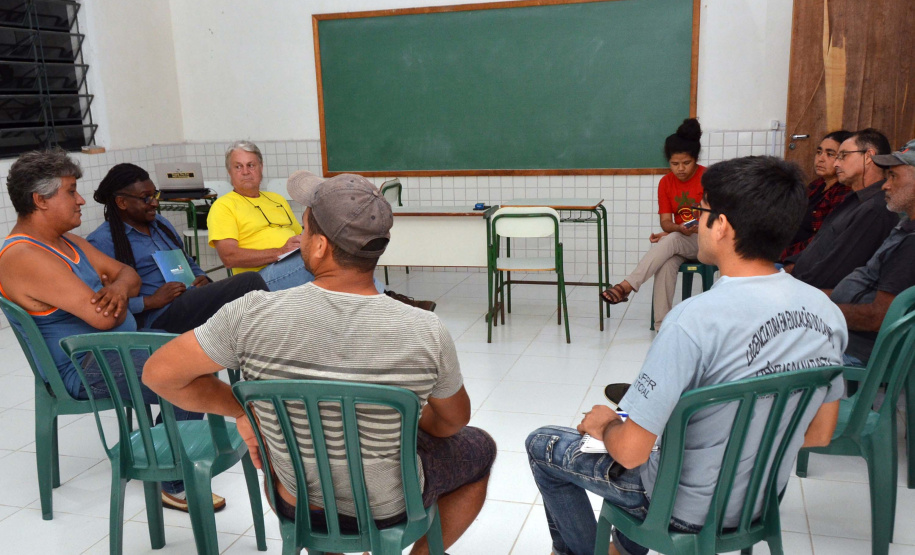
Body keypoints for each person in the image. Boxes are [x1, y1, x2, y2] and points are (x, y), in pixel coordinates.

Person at [143, 172, 496, 555]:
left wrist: (243, 409)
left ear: (320, 247)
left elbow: (159, 374)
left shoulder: (250, 313)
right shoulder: (424, 329)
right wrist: (408, 418)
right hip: (389, 508)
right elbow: (453, 422)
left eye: (304, 229)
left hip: (296, 500)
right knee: (480, 448)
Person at [527, 156, 847, 555]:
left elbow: (630, 451)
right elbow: (818, 433)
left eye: (702, 212)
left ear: (722, 225)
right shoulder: (825, 312)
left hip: (681, 510)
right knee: (664, 442)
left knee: (543, 445)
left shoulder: (692, 320)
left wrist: (607, 424)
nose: (697, 222)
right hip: (758, 502)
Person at [0, 150, 221, 513]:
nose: (81, 199)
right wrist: (120, 291)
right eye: (70, 191)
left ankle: (163, 457)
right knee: (188, 372)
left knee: (196, 355)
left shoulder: (67, 242)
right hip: (83, 366)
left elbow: (127, 276)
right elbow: (104, 319)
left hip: (112, 349)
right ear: (40, 200)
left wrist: (118, 288)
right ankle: (173, 481)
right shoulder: (25, 256)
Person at [207, 141, 435, 310]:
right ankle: (386, 302)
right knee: (321, 258)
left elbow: (303, 235)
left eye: (251, 165)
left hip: (292, 263)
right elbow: (229, 257)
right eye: (238, 167)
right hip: (258, 279)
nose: (246, 172)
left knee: (337, 248)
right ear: (229, 172)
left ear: (261, 167)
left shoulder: (276, 199)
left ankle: (380, 302)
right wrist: (280, 252)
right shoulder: (223, 206)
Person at [87, 163, 268, 333]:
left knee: (248, 303)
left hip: (189, 298)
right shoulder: (102, 241)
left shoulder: (160, 224)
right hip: (159, 315)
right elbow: (99, 301)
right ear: (122, 203)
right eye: (146, 198)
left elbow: (187, 260)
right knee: (249, 282)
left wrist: (201, 277)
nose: (155, 203)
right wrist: (150, 301)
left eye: (155, 195)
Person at [601, 118, 705, 329]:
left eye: (686, 163)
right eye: (675, 164)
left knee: (672, 240)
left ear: (696, 159)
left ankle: (627, 286)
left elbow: (717, 219)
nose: (681, 169)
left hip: (706, 242)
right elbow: (667, 222)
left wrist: (676, 233)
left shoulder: (708, 177)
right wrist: (676, 230)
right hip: (681, 240)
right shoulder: (665, 183)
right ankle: (662, 326)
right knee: (666, 263)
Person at [829, 139, 915, 366]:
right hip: (851, 338)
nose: (885, 185)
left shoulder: (911, 245)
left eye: (894, 176)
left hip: (860, 350)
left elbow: (880, 317)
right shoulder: (905, 226)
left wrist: (819, 312)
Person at [786, 128, 900, 289]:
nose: (837, 163)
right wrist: (787, 269)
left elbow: (835, 271)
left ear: (868, 156)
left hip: (809, 292)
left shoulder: (874, 209)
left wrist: (791, 286)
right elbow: (819, 246)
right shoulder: (854, 199)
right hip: (795, 277)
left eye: (843, 156)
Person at [779, 130, 853, 261]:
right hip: (783, 249)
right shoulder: (817, 185)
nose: (821, 158)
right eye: (819, 152)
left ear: (843, 159)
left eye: (830, 154)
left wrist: (782, 256)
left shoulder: (843, 193)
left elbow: (821, 241)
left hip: (802, 259)